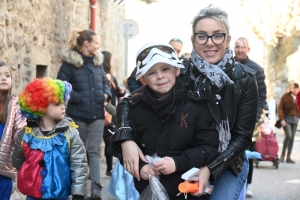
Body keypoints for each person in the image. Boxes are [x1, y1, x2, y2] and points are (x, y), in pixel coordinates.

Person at [110, 5, 258, 200]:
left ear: (228, 39)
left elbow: (242, 137)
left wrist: (209, 168)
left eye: (217, 35)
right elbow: (130, 101)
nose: (210, 43)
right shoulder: (180, 69)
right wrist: (126, 139)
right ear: (193, 39)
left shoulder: (245, 78)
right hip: (186, 157)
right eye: (202, 36)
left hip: (227, 161)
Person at [122, 42, 219, 199]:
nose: (160, 76)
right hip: (148, 190)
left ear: (177, 70)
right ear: (143, 80)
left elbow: (209, 148)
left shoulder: (197, 106)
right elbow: (126, 152)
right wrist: (141, 167)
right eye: (152, 73)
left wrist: (178, 162)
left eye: (165, 69)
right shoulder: (136, 109)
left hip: (188, 192)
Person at [12, 78, 88, 200]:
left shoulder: (70, 133)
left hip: (61, 195)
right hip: (33, 196)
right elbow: (18, 161)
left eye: (63, 102)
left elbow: (79, 165)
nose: (63, 107)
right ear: (40, 106)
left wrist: (78, 193)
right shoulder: (26, 135)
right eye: (57, 104)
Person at [57, 29, 111, 200]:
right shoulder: (69, 63)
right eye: (96, 42)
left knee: (94, 150)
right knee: (78, 152)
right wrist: (79, 98)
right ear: (86, 43)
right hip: (77, 115)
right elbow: (61, 87)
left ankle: (96, 189)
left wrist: (106, 93)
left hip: (97, 114)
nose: (98, 46)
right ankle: (78, 190)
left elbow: (104, 83)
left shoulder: (98, 62)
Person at [234, 37, 267, 197]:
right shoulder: (227, 65)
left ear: (248, 49)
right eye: (237, 46)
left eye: (243, 47)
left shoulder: (256, 69)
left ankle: (249, 184)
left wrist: (254, 117)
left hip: (251, 120)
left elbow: (261, 96)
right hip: (231, 119)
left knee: (248, 153)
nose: (240, 49)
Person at [0, 61, 26, 199]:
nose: (4, 78)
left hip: (3, 166)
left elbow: (20, 130)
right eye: (0, 75)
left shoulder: (15, 104)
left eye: (7, 75)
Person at [101, 51, 126, 176]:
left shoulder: (112, 77)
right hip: (104, 112)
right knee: (107, 140)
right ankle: (108, 168)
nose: (113, 62)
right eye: (111, 60)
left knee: (109, 141)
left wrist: (121, 92)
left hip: (112, 111)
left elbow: (116, 93)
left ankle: (109, 168)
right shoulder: (102, 77)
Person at [278, 83, 300, 163]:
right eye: (292, 88)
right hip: (286, 119)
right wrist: (281, 119)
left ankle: (288, 156)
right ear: (290, 89)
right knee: (289, 135)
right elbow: (280, 108)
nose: (294, 90)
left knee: (292, 138)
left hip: (295, 119)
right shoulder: (285, 96)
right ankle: (282, 154)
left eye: (295, 88)